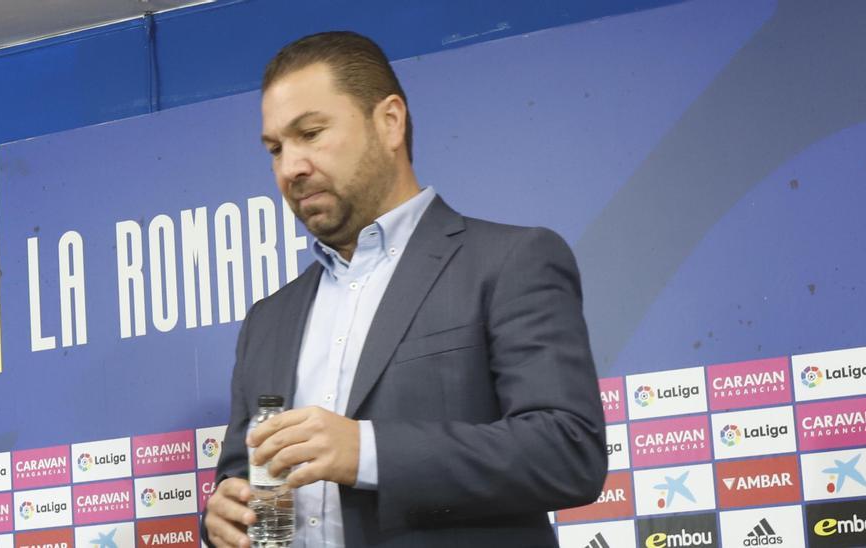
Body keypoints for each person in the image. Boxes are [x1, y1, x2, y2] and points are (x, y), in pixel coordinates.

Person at [204, 31, 606, 548]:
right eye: (276, 148)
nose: (290, 168)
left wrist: (366, 451)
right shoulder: (268, 319)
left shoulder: (509, 261)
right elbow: (245, 480)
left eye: (311, 133)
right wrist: (223, 519)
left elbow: (567, 452)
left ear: (389, 122)